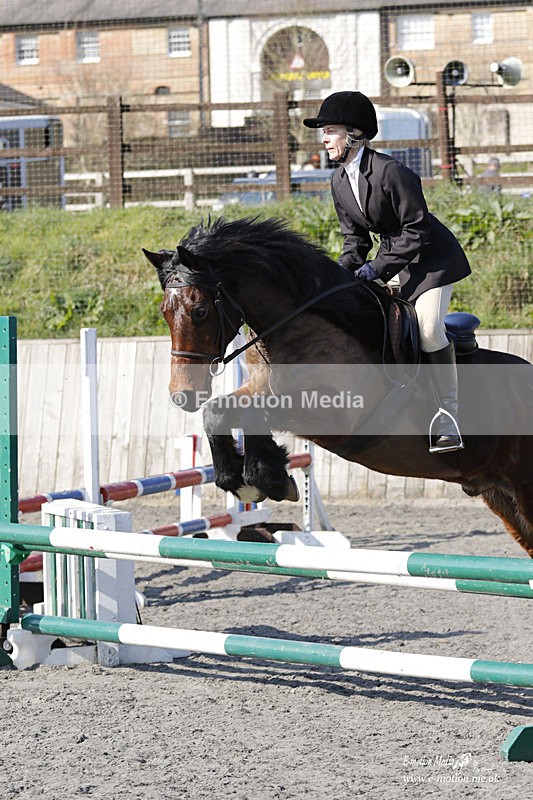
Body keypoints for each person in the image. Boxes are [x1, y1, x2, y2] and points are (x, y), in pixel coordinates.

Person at [303, 91, 471, 453]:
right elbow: (355, 239)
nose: (324, 139)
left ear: (354, 134)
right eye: (324, 132)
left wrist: (377, 269)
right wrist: (336, 276)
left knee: (427, 329)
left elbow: (418, 228)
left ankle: (448, 416)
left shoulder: (391, 171)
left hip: (431, 262)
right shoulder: (338, 181)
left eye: (330, 131)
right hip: (394, 258)